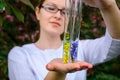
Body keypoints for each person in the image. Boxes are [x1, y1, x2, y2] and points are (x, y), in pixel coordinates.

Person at [8, 0, 120, 80]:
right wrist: (59, 73)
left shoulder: (80, 48)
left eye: (66, 12)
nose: (57, 15)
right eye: (51, 8)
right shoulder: (20, 54)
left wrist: (109, 6)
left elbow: (115, 43)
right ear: (38, 12)